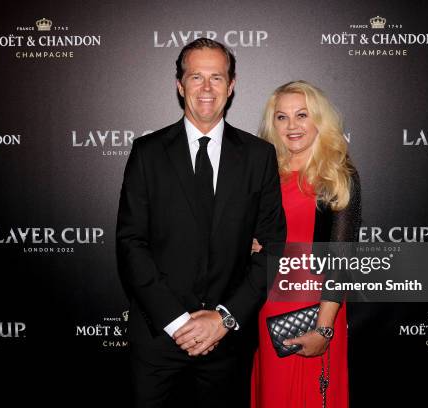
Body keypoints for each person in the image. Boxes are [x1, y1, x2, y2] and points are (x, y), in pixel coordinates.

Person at [116, 38, 287, 408]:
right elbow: (131, 243)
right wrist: (178, 322)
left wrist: (223, 319)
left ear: (232, 84)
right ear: (180, 85)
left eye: (216, 77)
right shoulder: (147, 153)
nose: (206, 88)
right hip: (158, 338)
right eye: (196, 77)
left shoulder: (259, 156)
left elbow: (273, 245)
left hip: (227, 343)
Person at [250, 80, 361, 408]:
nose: (292, 125)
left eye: (302, 115)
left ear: (319, 120)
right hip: (266, 305)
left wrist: (324, 330)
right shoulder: (263, 173)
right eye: (281, 117)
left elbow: (341, 259)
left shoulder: (338, 176)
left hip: (316, 309)